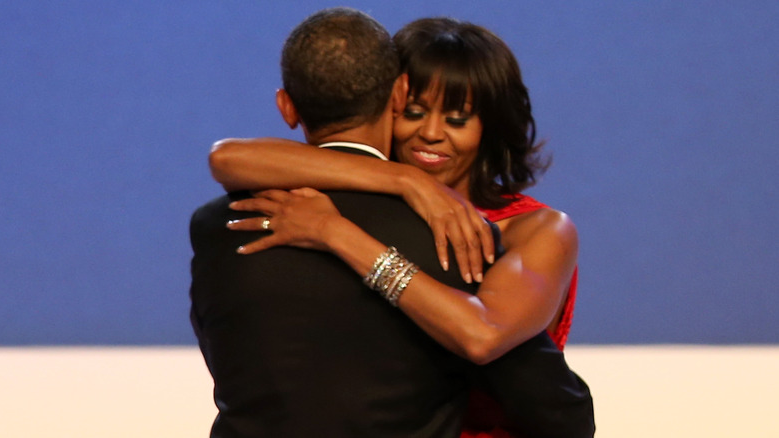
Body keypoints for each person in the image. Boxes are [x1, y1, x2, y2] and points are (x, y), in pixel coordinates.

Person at [191, 8, 591, 438]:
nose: (431, 133)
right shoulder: (392, 201)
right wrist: (403, 180)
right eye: (415, 112)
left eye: (457, 119)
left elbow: (483, 335)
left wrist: (337, 233)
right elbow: (227, 158)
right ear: (394, 100)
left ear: (490, 127)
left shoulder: (537, 230)